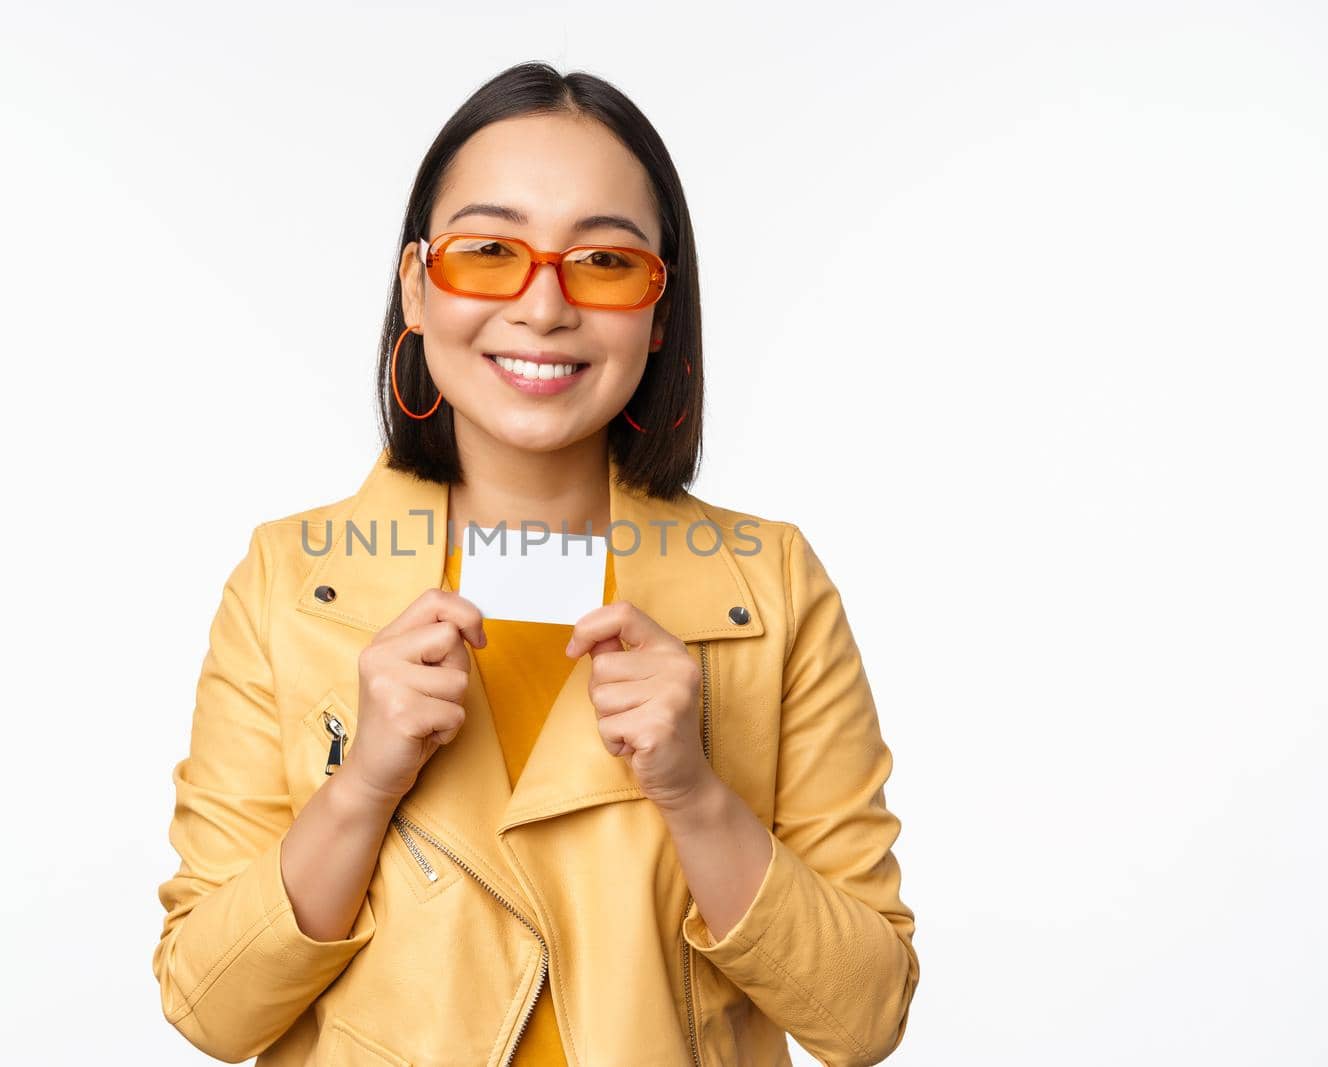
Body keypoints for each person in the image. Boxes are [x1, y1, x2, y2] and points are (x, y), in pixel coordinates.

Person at [151, 61, 919, 1066]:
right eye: (487, 250)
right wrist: (363, 781)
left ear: (657, 311)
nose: (545, 304)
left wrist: (693, 790)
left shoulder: (764, 584)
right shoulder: (293, 580)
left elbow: (862, 1019)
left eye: (602, 261)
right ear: (418, 288)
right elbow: (210, 1009)